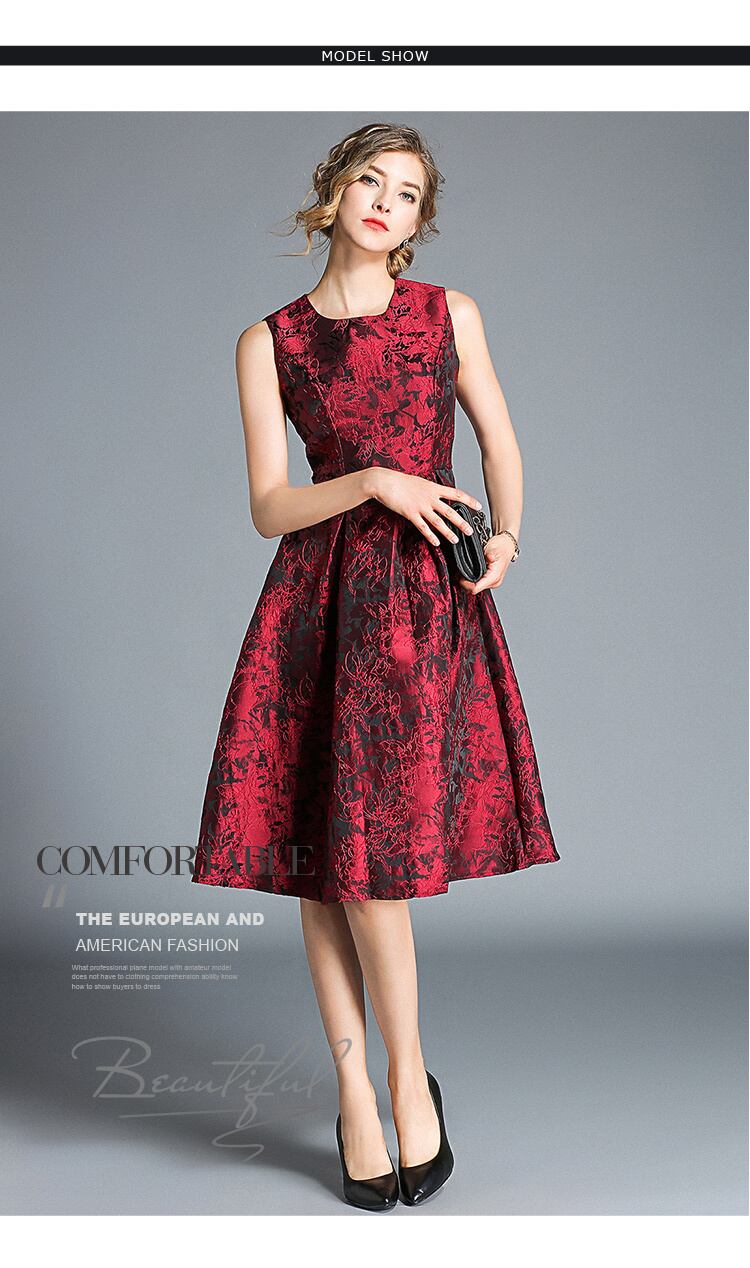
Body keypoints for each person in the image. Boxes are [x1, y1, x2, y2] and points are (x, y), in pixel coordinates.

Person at [191, 121, 560, 1210]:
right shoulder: (270, 340)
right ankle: (365, 1087)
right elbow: (270, 508)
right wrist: (372, 482)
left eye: (407, 192)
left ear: (417, 220)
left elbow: (499, 439)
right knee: (323, 856)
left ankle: (404, 1076)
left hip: (415, 608)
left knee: (369, 865)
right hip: (313, 605)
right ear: (335, 191)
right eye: (370, 179)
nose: (385, 201)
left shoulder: (450, 314)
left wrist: (507, 536)